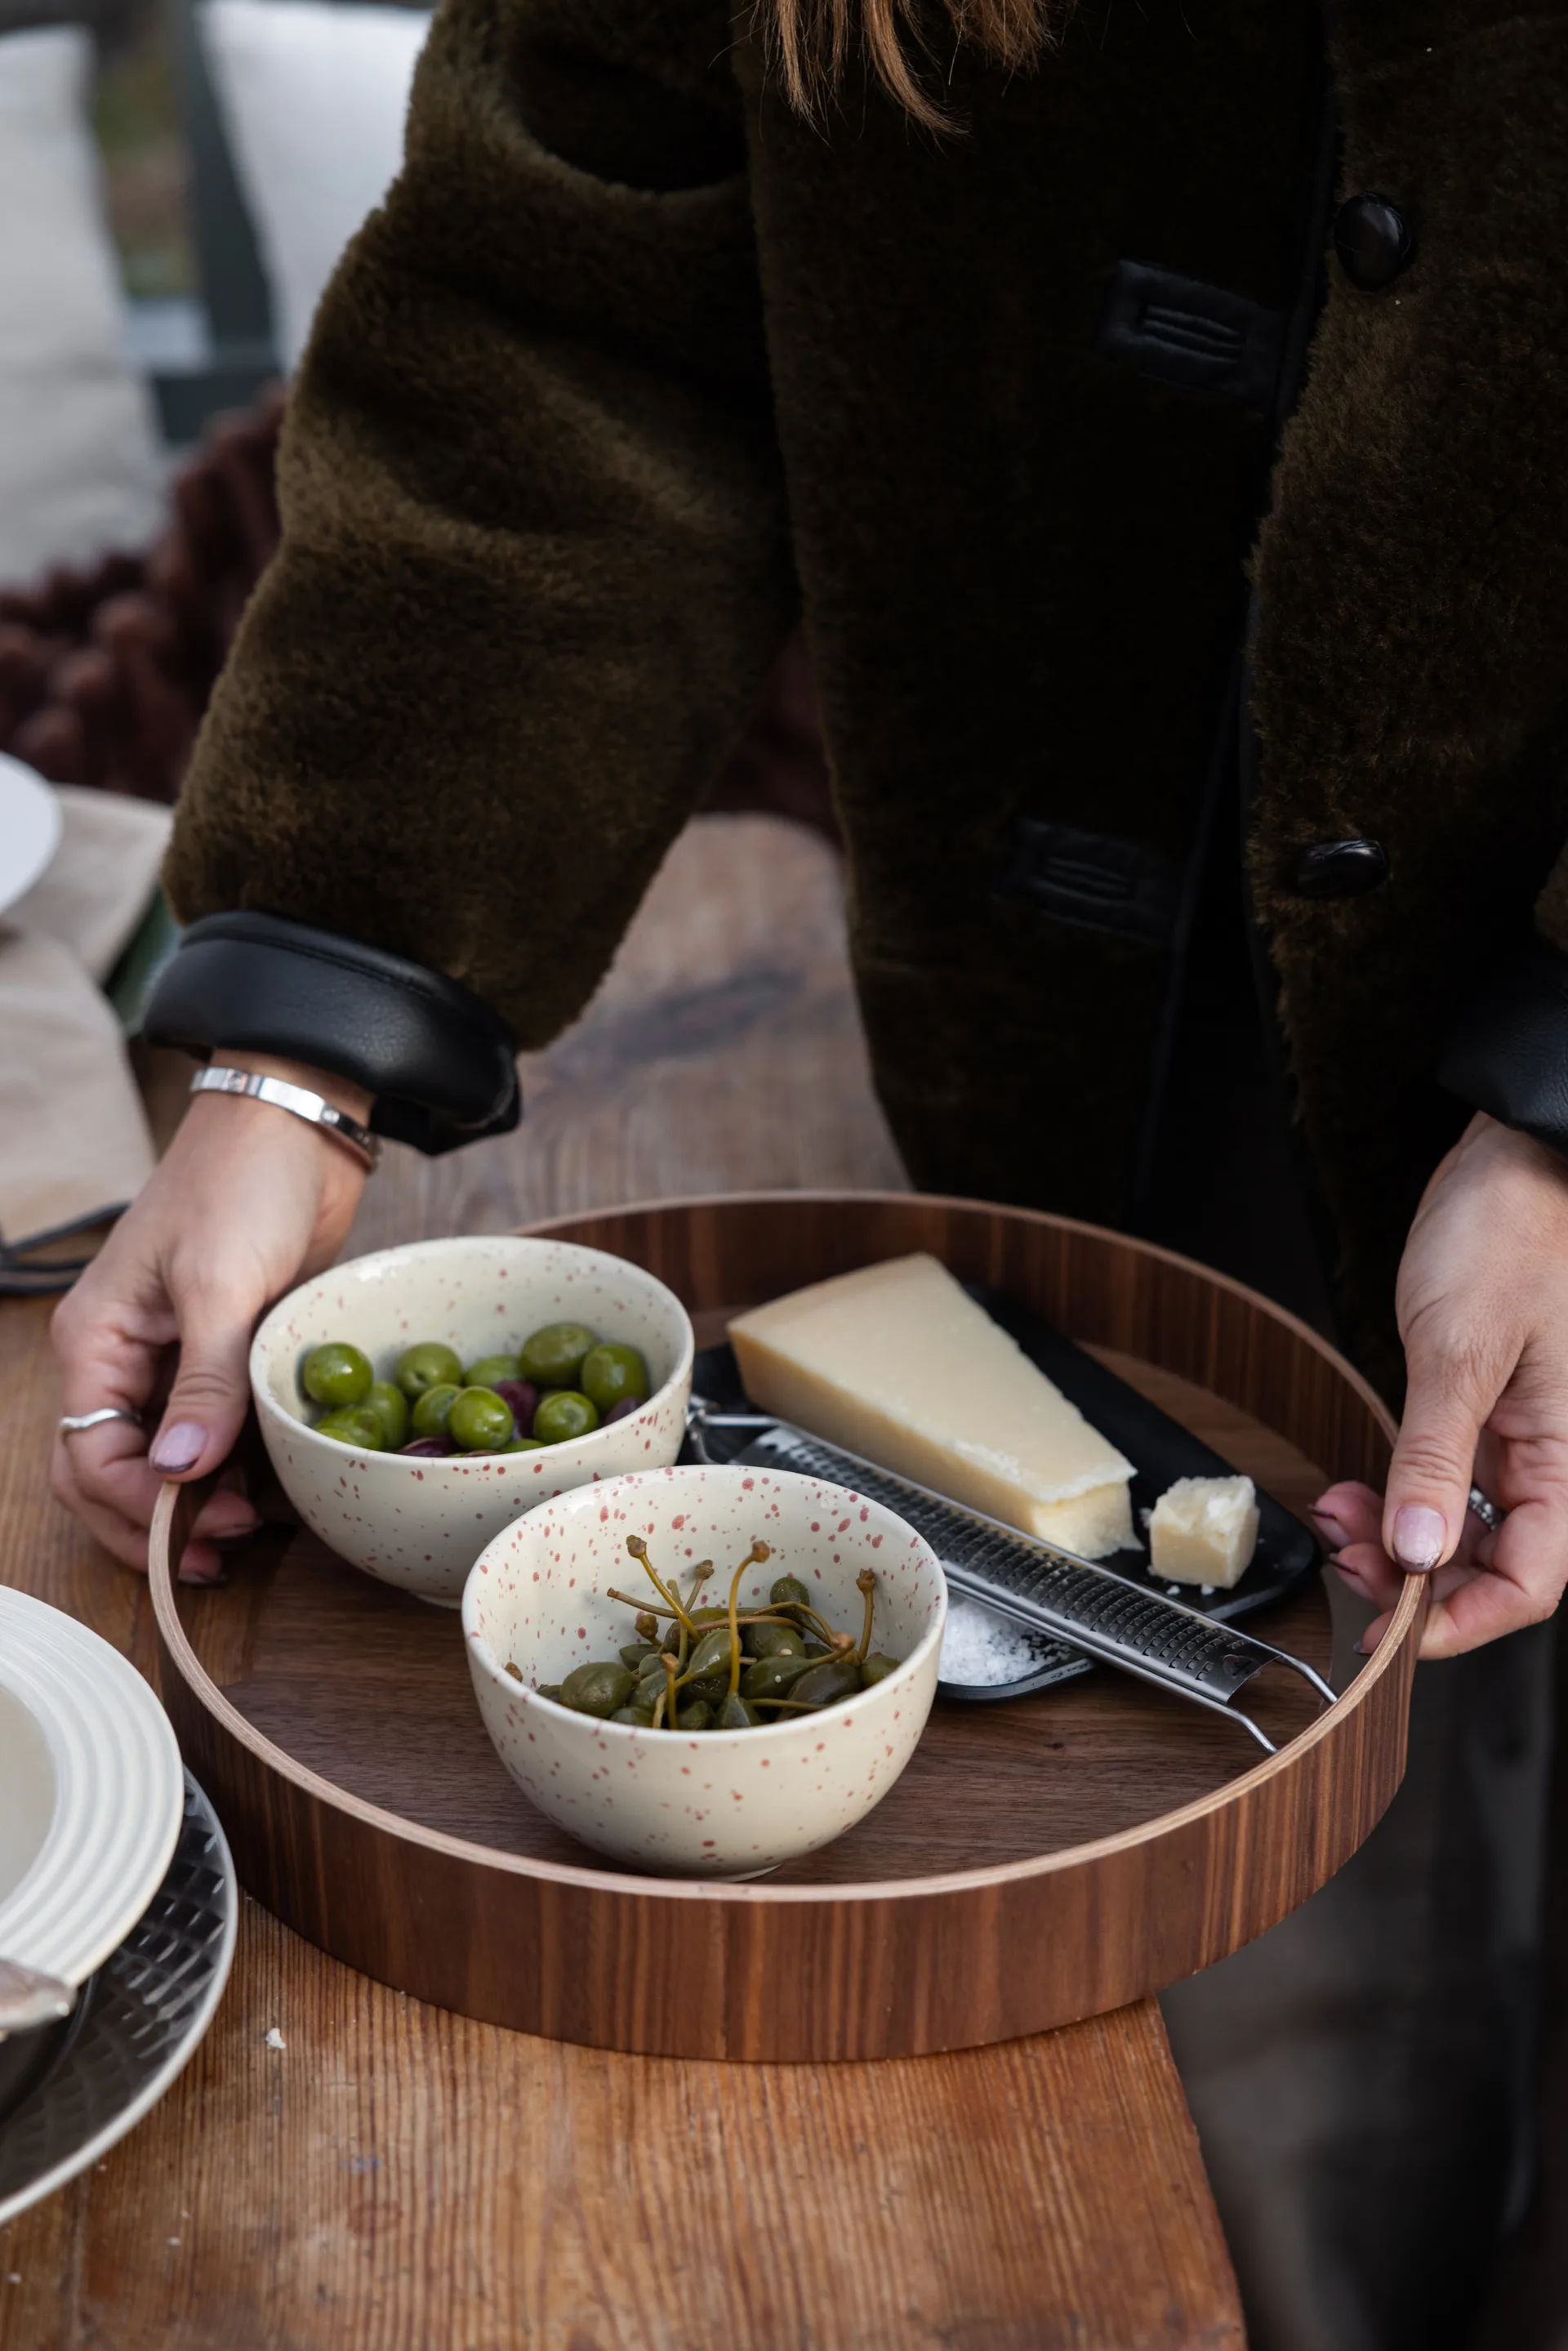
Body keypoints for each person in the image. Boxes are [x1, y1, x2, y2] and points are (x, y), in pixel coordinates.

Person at [47, 0, 1568, 2340]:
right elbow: (581, 310)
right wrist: (304, 1040)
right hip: (1063, 1123)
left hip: (1514, 1111)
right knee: (1235, 2041)